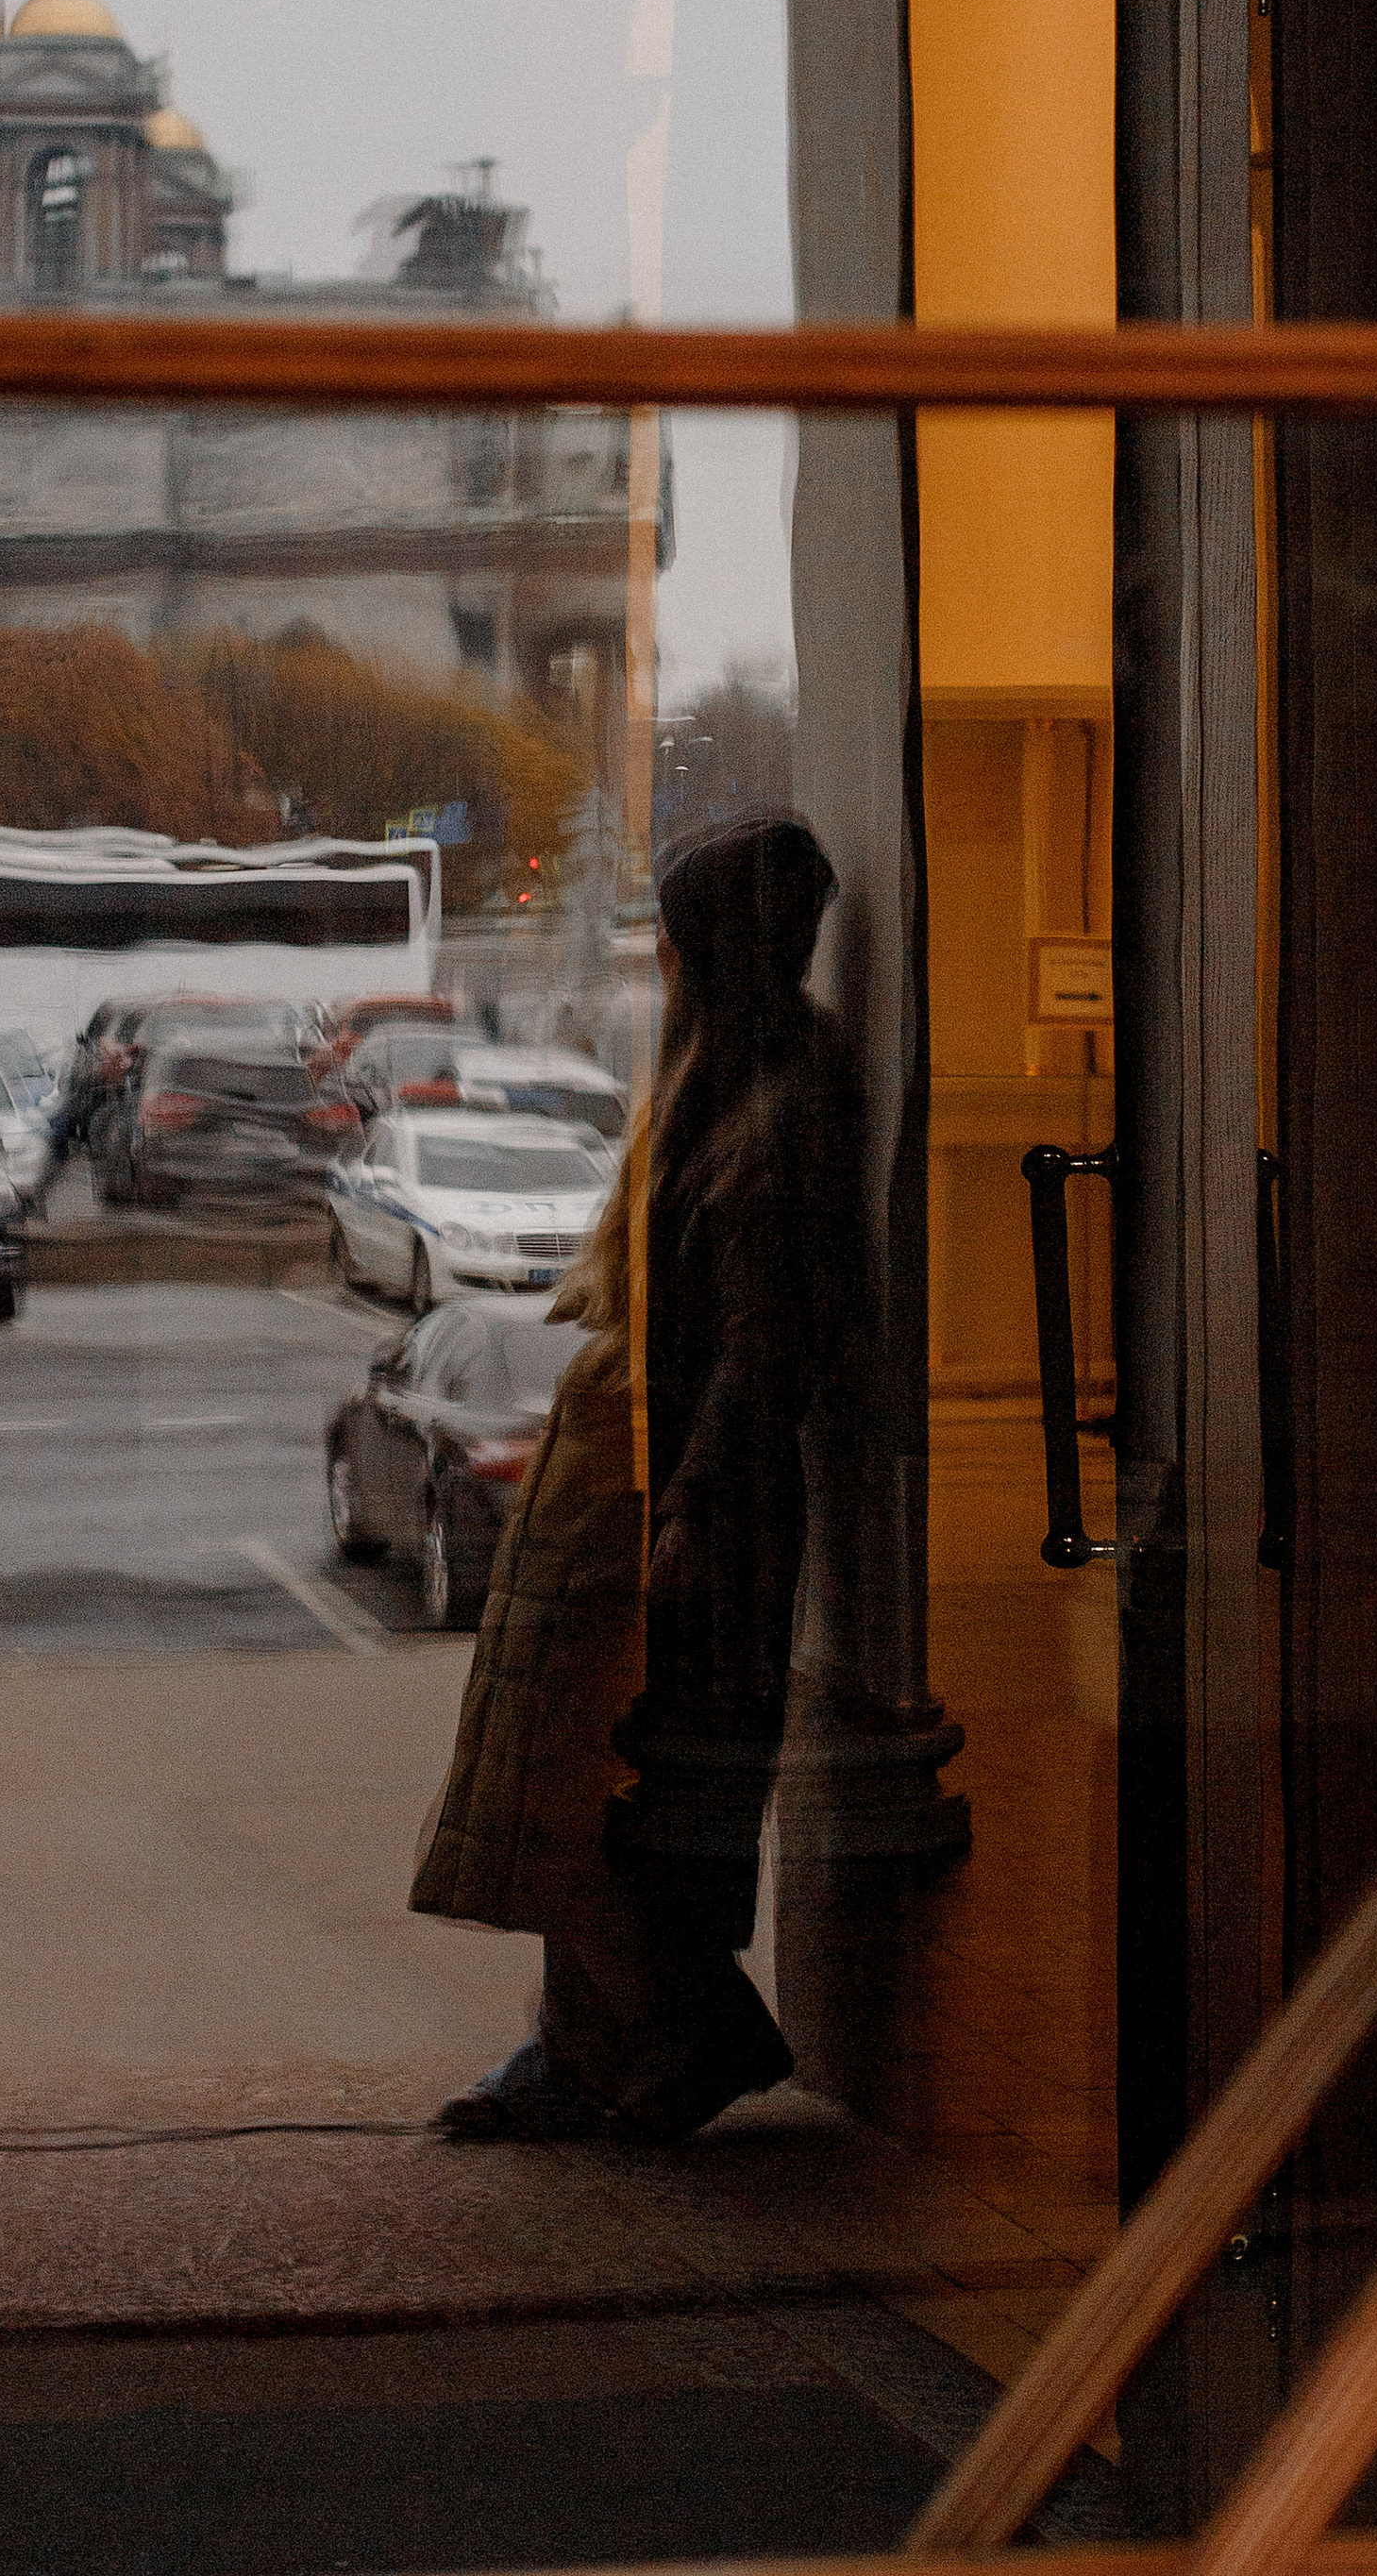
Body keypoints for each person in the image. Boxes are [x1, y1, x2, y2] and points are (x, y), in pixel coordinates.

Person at [411, 810, 867, 2142]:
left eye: (675, 943)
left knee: (626, 1789)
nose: (662, 968)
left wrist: (690, 1514)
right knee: (588, 1776)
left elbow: (764, 1350)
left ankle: (681, 2031)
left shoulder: (773, 1113)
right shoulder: (735, 1085)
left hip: (686, 1506)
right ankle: (600, 2044)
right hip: (637, 1488)